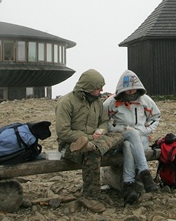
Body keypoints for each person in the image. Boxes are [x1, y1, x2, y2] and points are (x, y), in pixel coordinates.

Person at [55, 69, 125, 213]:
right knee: (92, 154)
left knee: (120, 135)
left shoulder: (98, 102)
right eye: (98, 87)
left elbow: (105, 121)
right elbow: (63, 132)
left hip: (94, 141)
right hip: (69, 146)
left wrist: (101, 131)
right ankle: (90, 196)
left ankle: (92, 146)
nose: (101, 90)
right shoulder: (66, 103)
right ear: (88, 87)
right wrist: (88, 138)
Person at [103, 69, 161, 204]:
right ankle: (144, 173)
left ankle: (128, 185)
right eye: (128, 90)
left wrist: (145, 130)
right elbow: (103, 122)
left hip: (141, 138)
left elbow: (155, 117)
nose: (131, 92)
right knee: (128, 140)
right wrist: (118, 130)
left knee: (130, 144)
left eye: (134, 89)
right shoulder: (110, 102)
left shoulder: (145, 100)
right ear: (122, 89)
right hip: (120, 139)